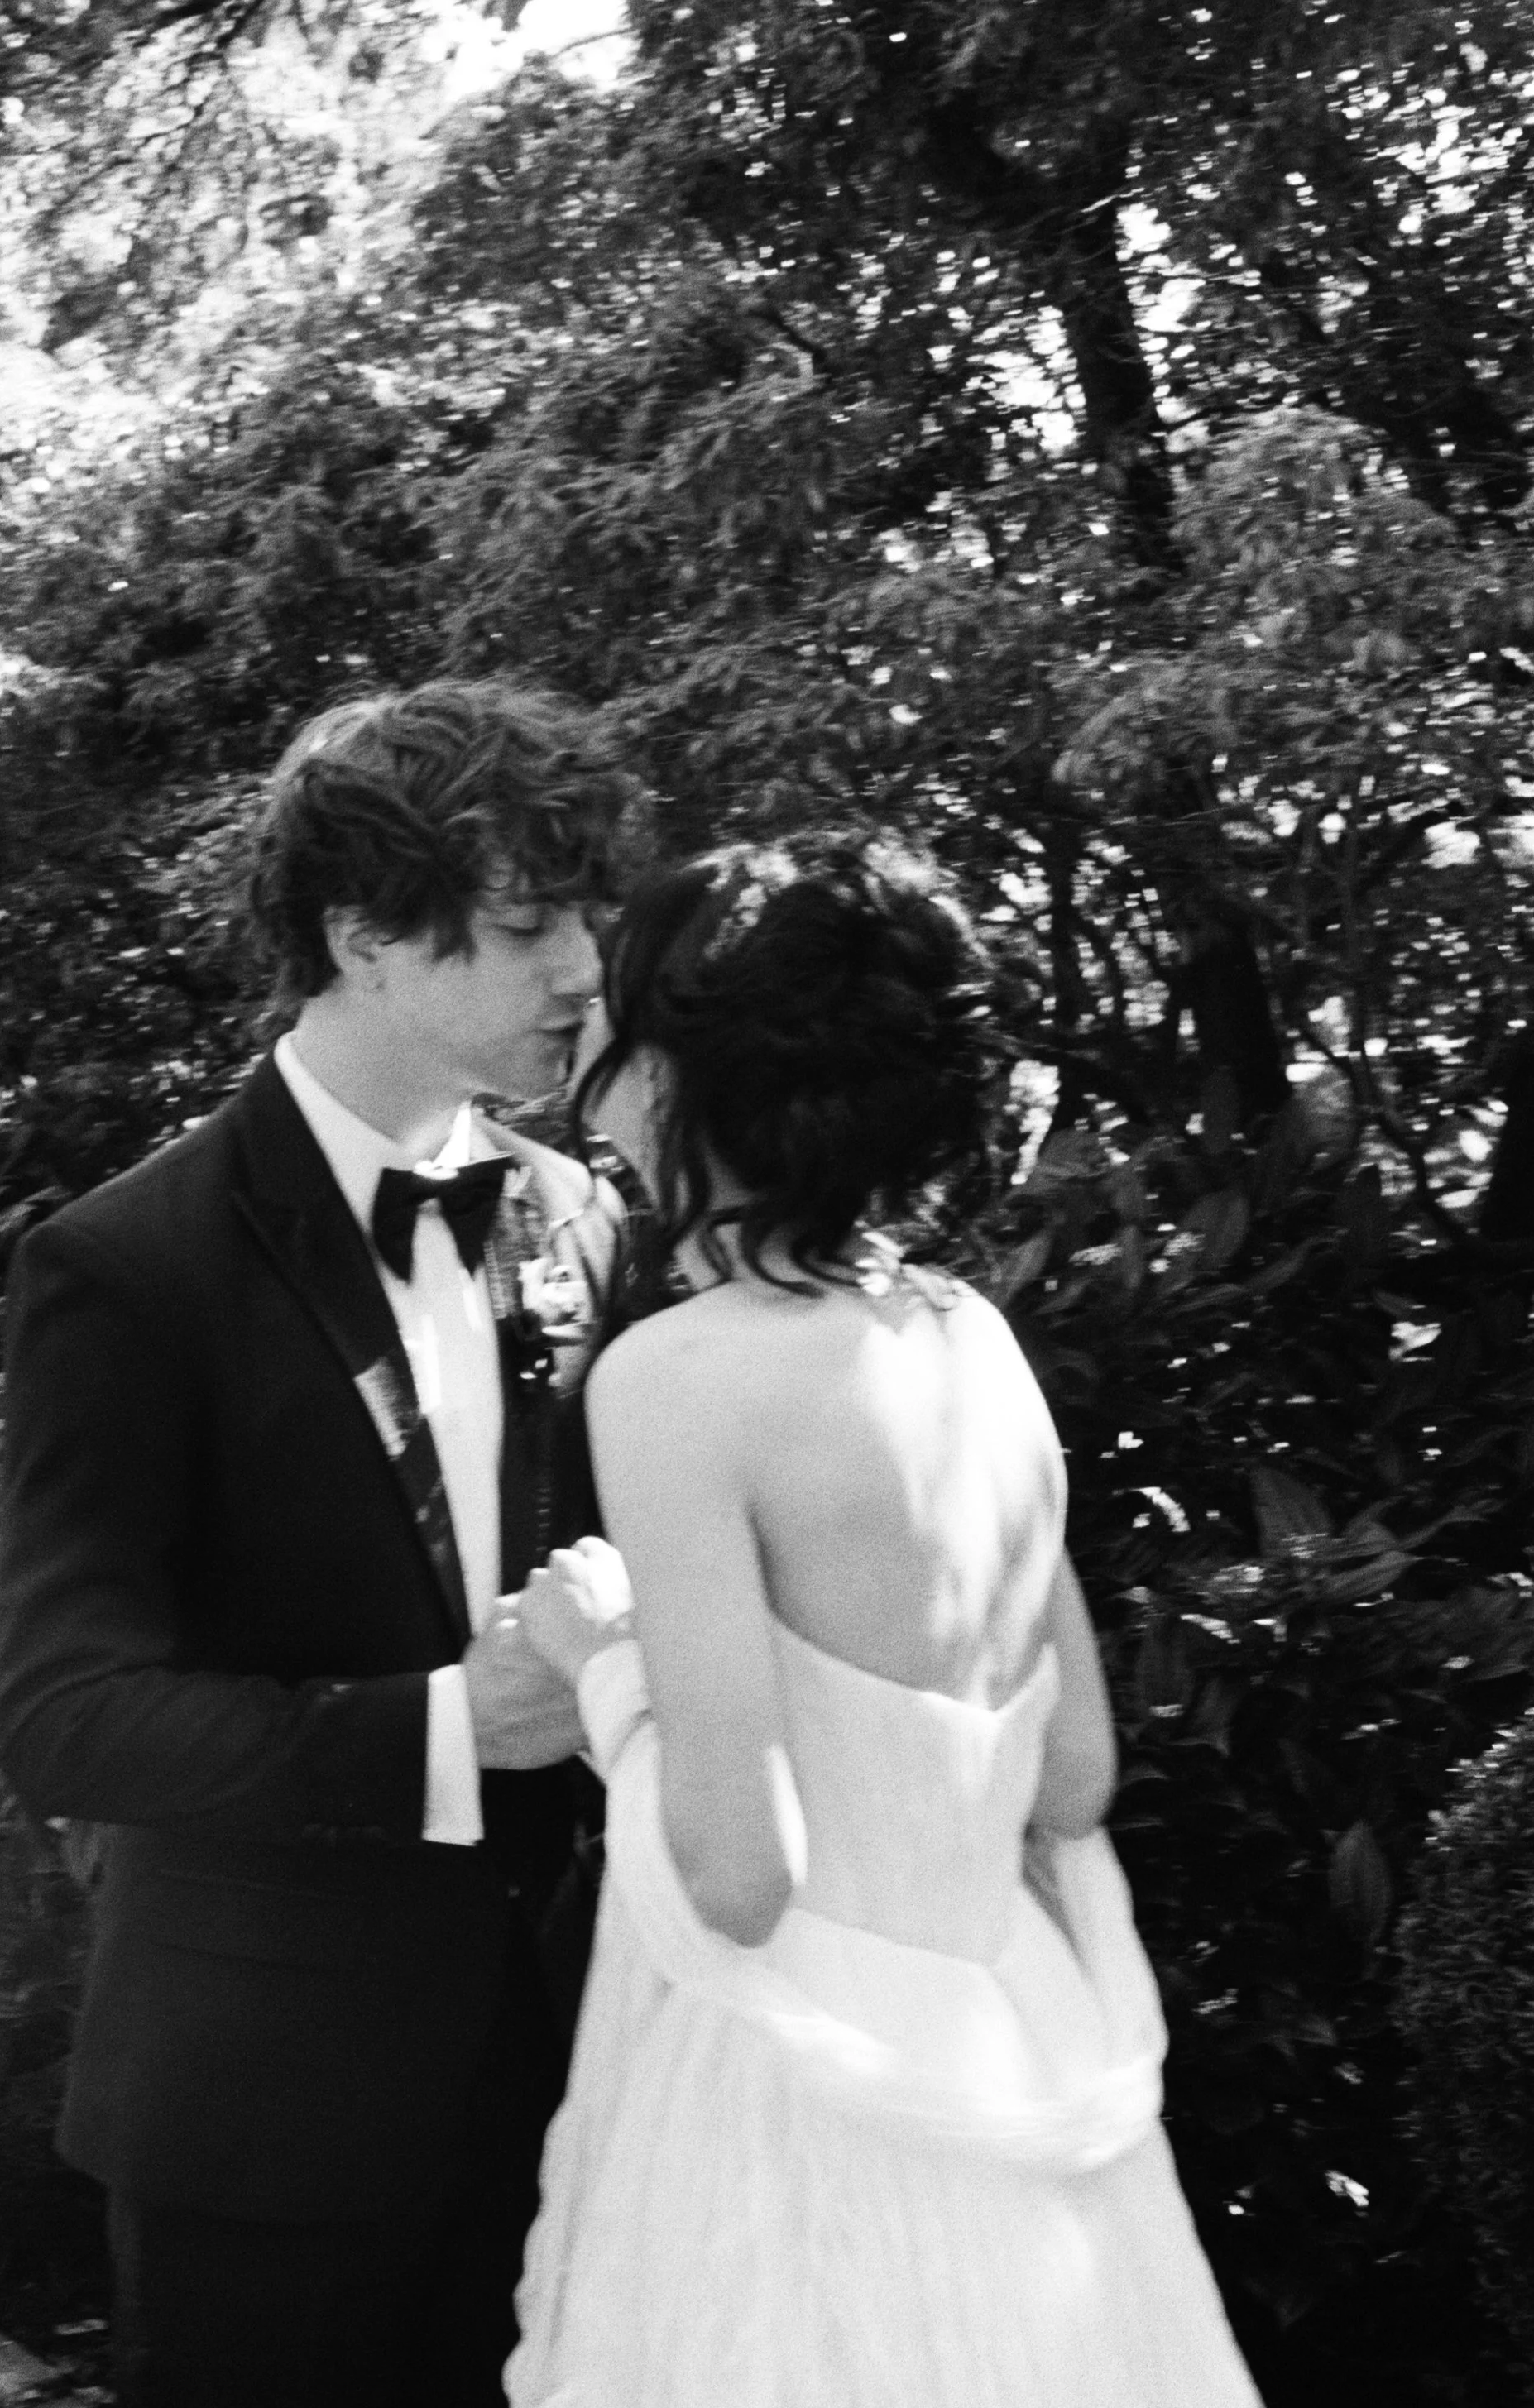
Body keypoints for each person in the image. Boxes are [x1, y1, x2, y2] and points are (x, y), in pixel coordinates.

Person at [507, 831, 1263, 2407]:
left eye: (617, 1034)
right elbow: (1068, 1785)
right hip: (1010, 2069)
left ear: (683, 1076)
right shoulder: (970, 1338)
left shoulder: (677, 1377)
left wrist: (604, 1669)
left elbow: (735, 1876)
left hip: (788, 2109)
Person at [0, 682, 634, 2408]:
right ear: (363, 936)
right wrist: (443, 1725)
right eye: (526, 925)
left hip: (581, 2080)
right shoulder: (127, 1268)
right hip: (261, 2112)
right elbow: (68, 1714)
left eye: (585, 916)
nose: (584, 969)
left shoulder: (580, 1219)